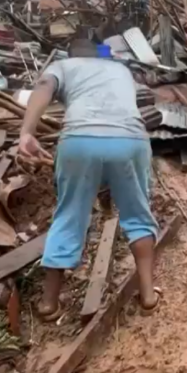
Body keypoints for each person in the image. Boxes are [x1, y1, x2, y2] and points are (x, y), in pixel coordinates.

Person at [18, 37, 159, 320]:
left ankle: (49, 304)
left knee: (69, 216)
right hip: (130, 140)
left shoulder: (62, 65)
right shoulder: (120, 69)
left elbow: (45, 86)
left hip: (80, 141)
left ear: (70, 53)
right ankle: (148, 296)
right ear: (100, 54)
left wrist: (27, 132)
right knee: (138, 215)